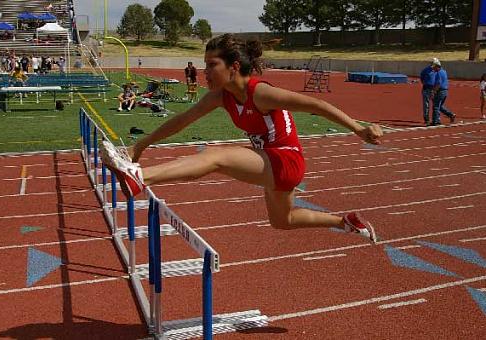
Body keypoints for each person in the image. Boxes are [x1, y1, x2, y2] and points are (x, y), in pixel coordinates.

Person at [101, 34, 383, 242]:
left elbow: (316, 105)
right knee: (283, 221)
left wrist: (358, 129)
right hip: (267, 158)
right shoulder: (221, 97)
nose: (205, 72)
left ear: (233, 67)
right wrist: (142, 143)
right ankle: (345, 221)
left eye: (212, 65)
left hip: (286, 158)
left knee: (216, 156)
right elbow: (182, 120)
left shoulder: (260, 92)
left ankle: (139, 177)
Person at [432, 59, 456, 126]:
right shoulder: (444, 71)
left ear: (437, 66)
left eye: (434, 67)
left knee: (436, 106)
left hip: (440, 91)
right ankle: (451, 114)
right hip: (445, 91)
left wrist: (434, 91)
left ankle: (436, 121)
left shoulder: (438, 73)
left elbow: (438, 83)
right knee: (440, 106)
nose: (433, 68)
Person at [420, 58, 438, 126]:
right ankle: (426, 119)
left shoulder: (437, 70)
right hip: (426, 88)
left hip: (434, 89)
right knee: (426, 105)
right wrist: (425, 83)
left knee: (436, 104)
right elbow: (422, 77)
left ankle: (436, 118)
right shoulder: (426, 70)